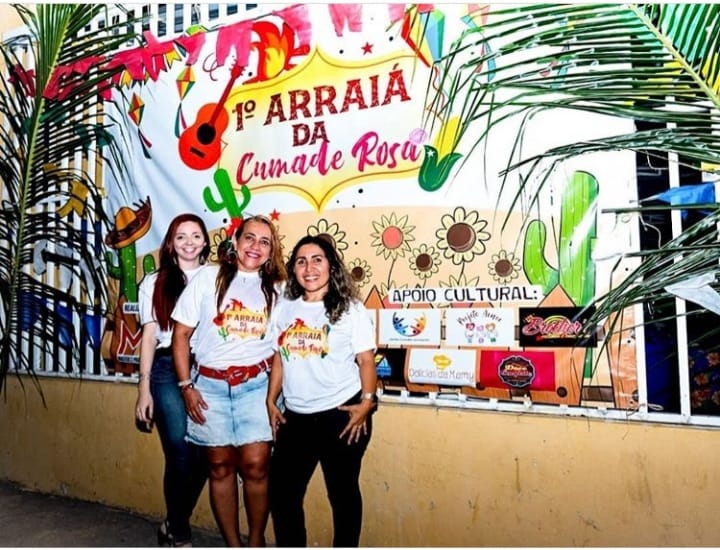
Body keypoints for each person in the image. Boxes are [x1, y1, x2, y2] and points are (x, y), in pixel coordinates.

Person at [171, 214, 287, 547]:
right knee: (219, 467)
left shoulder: (279, 289)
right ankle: (233, 545)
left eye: (264, 242)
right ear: (235, 241)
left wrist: (272, 397)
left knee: (256, 466)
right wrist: (185, 387)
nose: (255, 247)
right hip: (209, 388)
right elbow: (181, 335)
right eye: (249, 238)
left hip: (256, 385)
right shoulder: (208, 278)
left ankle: (256, 542)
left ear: (271, 251)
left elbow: (281, 348)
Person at [266, 234, 378, 548]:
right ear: (293, 269)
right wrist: (271, 400)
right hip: (296, 417)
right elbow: (279, 358)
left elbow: (366, 360)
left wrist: (367, 403)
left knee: (342, 494)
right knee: (282, 494)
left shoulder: (350, 309)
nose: (309, 268)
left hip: (341, 414)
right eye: (301, 261)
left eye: (317, 260)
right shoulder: (285, 308)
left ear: (331, 266)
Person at [134, 213, 211, 547]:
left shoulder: (216, 278)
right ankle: (179, 532)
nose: (189, 242)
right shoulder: (154, 282)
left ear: (205, 242)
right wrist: (143, 389)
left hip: (206, 368)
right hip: (166, 368)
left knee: (205, 453)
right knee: (179, 449)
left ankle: (172, 523)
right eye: (181, 236)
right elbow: (149, 337)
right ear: (171, 243)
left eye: (196, 236)